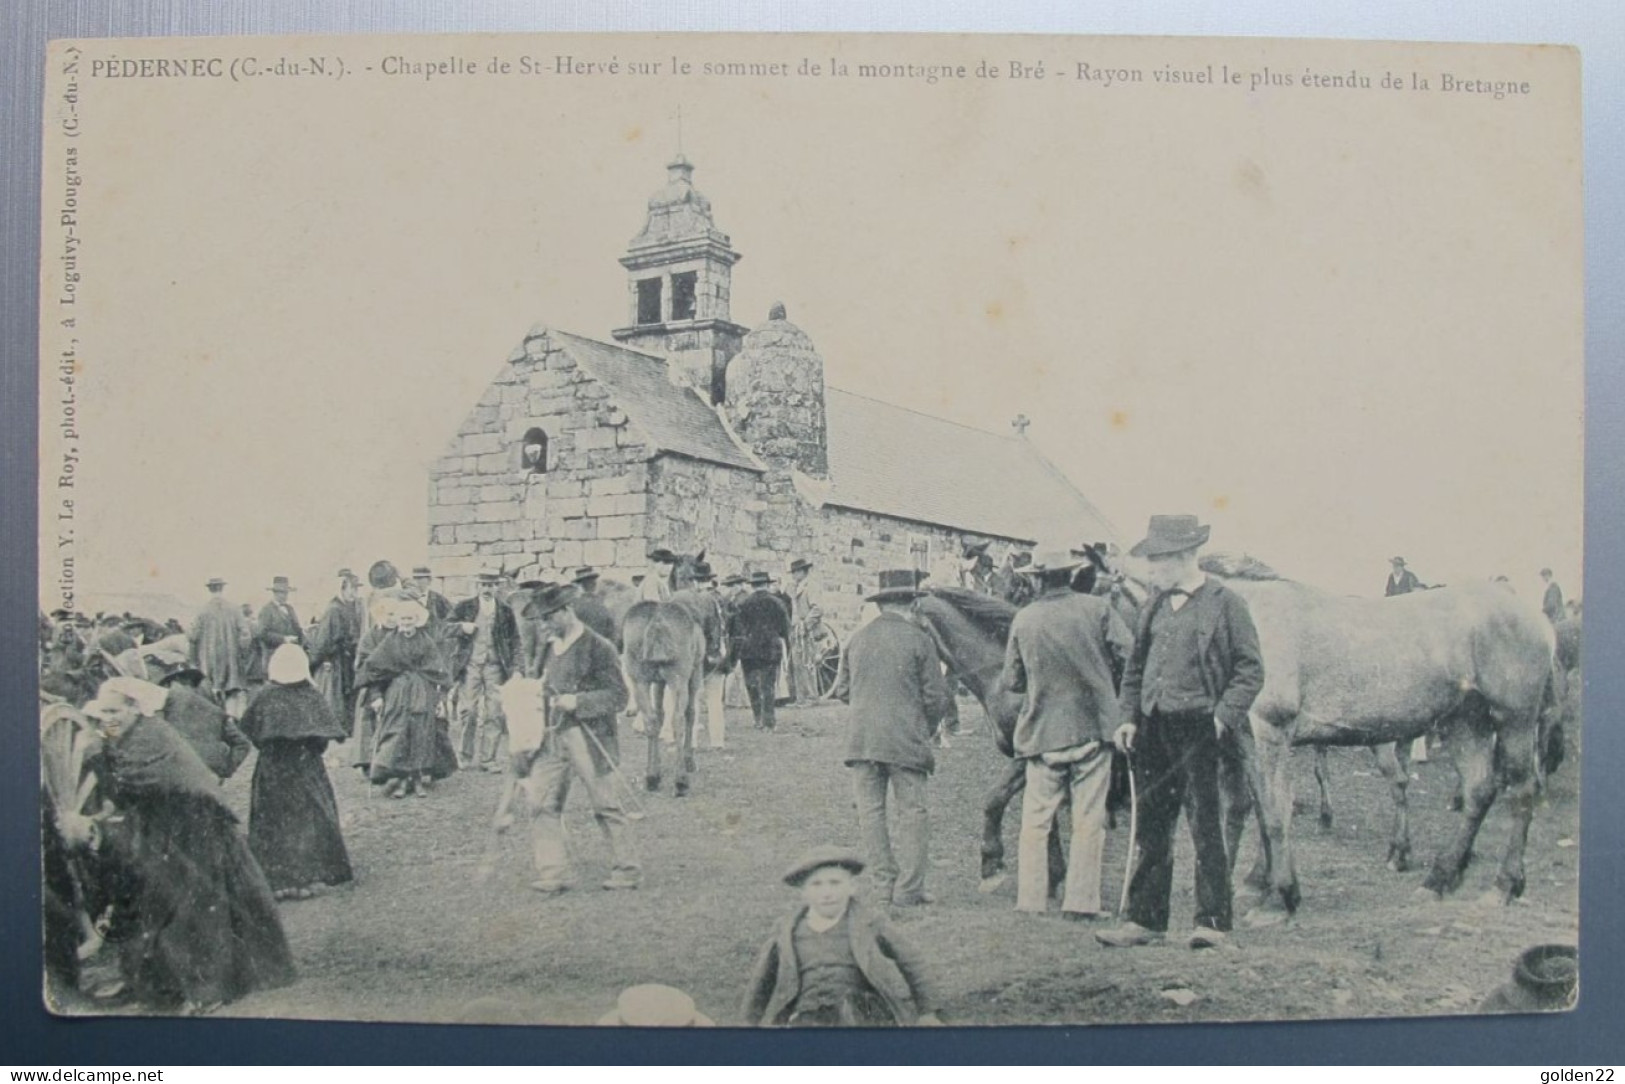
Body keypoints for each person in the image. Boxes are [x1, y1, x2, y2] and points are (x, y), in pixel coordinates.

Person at [80, 676, 295, 1013]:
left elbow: (132, 783)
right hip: (165, 827)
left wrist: (93, 819)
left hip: (195, 828)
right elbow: (117, 783)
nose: (109, 718)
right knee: (151, 901)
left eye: (115, 711)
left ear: (135, 709)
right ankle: (148, 984)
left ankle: (208, 989)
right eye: (103, 713)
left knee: (196, 906)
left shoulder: (151, 737)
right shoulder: (121, 737)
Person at [1097, 515, 1264, 951]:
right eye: (1151, 562)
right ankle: (1144, 921)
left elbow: (1250, 670)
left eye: (1159, 560)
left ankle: (1212, 923)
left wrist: (1222, 717)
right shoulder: (1153, 604)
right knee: (1152, 825)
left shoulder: (1226, 603)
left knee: (1206, 826)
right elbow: (1135, 669)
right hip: (1152, 727)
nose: (1152, 570)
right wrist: (1128, 717)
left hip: (1201, 729)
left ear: (1186, 556)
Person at [1001, 548, 1133, 918]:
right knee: (1088, 821)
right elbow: (1129, 654)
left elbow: (1012, 681)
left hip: (1042, 733)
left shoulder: (1024, 619)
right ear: (1071, 575)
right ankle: (1081, 903)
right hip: (1093, 729)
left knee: (1035, 822)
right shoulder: (1098, 609)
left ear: (1038, 578)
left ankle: (1030, 900)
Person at [834, 570, 952, 907]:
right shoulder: (920, 640)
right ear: (912, 603)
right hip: (905, 740)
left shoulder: (856, 638)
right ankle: (909, 889)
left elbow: (843, 690)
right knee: (912, 812)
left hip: (862, 740)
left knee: (870, 814)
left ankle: (883, 884)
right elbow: (937, 697)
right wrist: (923, 726)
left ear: (882, 603)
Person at [520, 584, 640, 894]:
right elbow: (545, 683)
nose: (543, 627)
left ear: (565, 612)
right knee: (540, 802)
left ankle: (627, 869)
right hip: (553, 737)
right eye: (540, 621)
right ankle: (554, 872)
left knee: (606, 805)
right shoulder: (550, 647)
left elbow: (619, 696)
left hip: (589, 738)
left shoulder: (599, 647)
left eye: (547, 619)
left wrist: (579, 702)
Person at [742, 845, 942, 1027]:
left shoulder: (870, 922)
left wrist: (928, 1012)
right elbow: (763, 978)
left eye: (835, 883)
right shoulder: (787, 929)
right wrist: (749, 1021)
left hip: (861, 1014)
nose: (827, 893)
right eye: (816, 885)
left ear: (851, 887)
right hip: (805, 1016)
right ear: (803, 892)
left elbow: (911, 961)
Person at [238, 644, 354, 900]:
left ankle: (278, 881)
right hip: (306, 768)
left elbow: (252, 732)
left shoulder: (265, 696)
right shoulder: (311, 695)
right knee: (309, 819)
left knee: (273, 820)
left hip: (272, 769)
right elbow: (321, 740)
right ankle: (309, 877)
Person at [357, 597, 456, 797]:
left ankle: (418, 779)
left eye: (410, 619)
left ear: (417, 620)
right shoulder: (390, 641)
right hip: (397, 692)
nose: (406, 623)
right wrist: (376, 696)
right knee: (400, 732)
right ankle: (401, 779)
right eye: (403, 619)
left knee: (421, 732)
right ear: (398, 621)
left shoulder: (425, 641)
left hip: (421, 691)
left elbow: (438, 671)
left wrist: (440, 700)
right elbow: (374, 669)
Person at [449, 570, 520, 771]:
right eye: (483, 585)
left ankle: (488, 759)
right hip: (470, 665)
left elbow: (516, 641)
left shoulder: (505, 611)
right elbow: (444, 628)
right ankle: (464, 756)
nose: (487, 589)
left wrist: (516, 668)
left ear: (497, 587)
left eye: (491, 585)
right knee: (468, 710)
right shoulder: (465, 607)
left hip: (496, 666)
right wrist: (462, 627)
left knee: (494, 713)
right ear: (477, 586)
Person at [668, 561, 729, 749]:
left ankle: (689, 741)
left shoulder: (677, 599)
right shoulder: (714, 599)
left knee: (688, 701)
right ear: (709, 580)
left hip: (686, 657)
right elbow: (717, 629)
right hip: (710, 656)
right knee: (714, 700)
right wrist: (714, 652)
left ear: (693, 580)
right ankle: (717, 741)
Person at [730, 571, 792, 731]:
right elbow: (786, 628)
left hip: (749, 649)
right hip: (771, 648)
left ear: (753, 585)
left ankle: (757, 718)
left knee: (752, 685)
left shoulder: (743, 604)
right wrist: (785, 645)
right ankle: (769, 722)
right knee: (768, 685)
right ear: (767, 584)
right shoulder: (777, 603)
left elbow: (737, 628)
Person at [309, 569, 367, 733]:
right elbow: (323, 640)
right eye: (352, 589)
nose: (355, 593)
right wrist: (321, 660)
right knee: (336, 696)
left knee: (347, 694)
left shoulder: (351, 607)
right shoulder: (334, 609)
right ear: (342, 589)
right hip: (336, 660)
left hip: (347, 658)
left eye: (357, 589)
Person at [187, 577, 252, 718]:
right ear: (222, 588)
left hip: (208, 659)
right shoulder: (235, 609)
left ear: (210, 589)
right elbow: (245, 635)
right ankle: (233, 722)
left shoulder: (202, 610)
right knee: (232, 692)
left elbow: (192, 636)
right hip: (231, 660)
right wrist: (241, 654)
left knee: (211, 692)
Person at [249, 577, 304, 688]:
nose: (284, 596)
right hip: (272, 657)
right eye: (281, 593)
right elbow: (261, 633)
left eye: (286, 593)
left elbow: (298, 629)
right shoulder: (266, 610)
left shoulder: (290, 609)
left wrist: (301, 639)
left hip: (289, 657)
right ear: (274, 593)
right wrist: (283, 639)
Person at [787, 558, 822, 702]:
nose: (794, 575)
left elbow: (818, 609)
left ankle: (811, 696)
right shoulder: (794, 588)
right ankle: (800, 697)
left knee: (808, 662)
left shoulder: (811, 587)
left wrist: (805, 624)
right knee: (797, 663)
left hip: (808, 632)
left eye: (796, 572)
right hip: (796, 630)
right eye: (793, 572)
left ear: (803, 572)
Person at [570, 567, 619, 643]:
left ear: (580, 585)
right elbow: (611, 630)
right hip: (601, 646)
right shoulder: (603, 603)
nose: (594, 583)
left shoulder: (573, 605)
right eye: (592, 581)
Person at [409, 565, 453, 630]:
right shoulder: (406, 599)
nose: (416, 582)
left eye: (420, 578)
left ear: (429, 581)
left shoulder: (440, 600)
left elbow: (450, 619)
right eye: (414, 578)